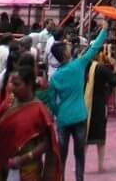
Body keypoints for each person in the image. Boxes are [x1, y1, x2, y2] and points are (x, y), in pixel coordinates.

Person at [0, 63, 62, 180]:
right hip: (4, 163)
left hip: (28, 169)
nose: (12, 88)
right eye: (12, 84)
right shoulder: (10, 100)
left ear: (29, 84)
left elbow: (47, 143)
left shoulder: (39, 110)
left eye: (17, 84)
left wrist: (24, 158)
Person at [48, 17, 108, 181]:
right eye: (67, 47)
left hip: (63, 118)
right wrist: (104, 30)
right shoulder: (78, 65)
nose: (70, 47)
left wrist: (58, 112)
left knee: (62, 155)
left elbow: (52, 102)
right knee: (79, 155)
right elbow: (94, 48)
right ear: (65, 54)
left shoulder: (55, 78)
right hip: (80, 116)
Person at [84, 51, 116, 174]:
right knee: (100, 137)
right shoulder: (100, 68)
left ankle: (80, 164)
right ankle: (100, 165)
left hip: (85, 104)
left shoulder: (83, 66)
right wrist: (115, 67)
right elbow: (114, 81)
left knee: (84, 136)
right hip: (98, 105)